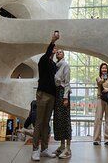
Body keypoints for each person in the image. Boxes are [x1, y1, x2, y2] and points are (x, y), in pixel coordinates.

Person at [31, 32, 59, 161]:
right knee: (39, 122)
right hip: (42, 94)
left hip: (52, 96)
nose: (55, 50)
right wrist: (52, 41)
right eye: (53, 48)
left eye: (55, 48)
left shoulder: (54, 65)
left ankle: (44, 149)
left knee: (46, 123)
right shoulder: (43, 60)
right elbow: (48, 53)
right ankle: (35, 149)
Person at [53, 49, 71, 159]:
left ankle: (68, 148)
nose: (58, 53)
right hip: (57, 93)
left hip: (63, 93)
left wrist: (65, 97)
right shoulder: (56, 66)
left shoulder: (65, 64)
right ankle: (62, 145)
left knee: (65, 120)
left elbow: (67, 82)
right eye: (57, 52)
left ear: (63, 55)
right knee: (59, 120)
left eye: (60, 52)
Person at [93, 62, 108, 146]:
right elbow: (99, 83)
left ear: (107, 69)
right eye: (103, 68)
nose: (104, 69)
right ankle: (96, 139)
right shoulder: (98, 78)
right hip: (100, 99)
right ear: (100, 69)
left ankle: (107, 139)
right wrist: (103, 79)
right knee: (98, 119)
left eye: (105, 68)